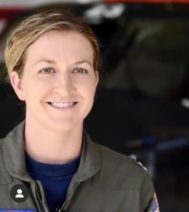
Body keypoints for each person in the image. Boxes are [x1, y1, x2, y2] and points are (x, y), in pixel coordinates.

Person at [0, 10, 159, 212]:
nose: (65, 88)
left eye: (79, 70)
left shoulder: (132, 184)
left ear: (95, 80)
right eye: (47, 70)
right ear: (19, 84)